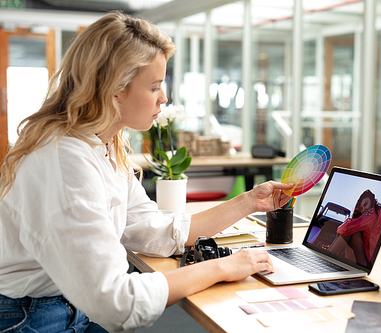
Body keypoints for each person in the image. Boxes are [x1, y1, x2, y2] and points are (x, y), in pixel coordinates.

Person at [0, 11, 293, 333]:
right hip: (32, 318)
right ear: (115, 90)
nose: (164, 98)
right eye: (155, 87)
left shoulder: (103, 145)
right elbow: (118, 304)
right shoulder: (63, 162)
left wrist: (250, 201)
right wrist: (223, 266)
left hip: (71, 305)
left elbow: (153, 230)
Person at [328, 190, 381, 266]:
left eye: (366, 204)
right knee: (353, 231)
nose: (364, 209)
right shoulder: (375, 213)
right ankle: (328, 255)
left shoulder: (373, 213)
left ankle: (327, 256)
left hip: (366, 262)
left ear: (372, 201)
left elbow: (346, 228)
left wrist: (339, 229)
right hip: (362, 258)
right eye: (361, 207)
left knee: (350, 231)